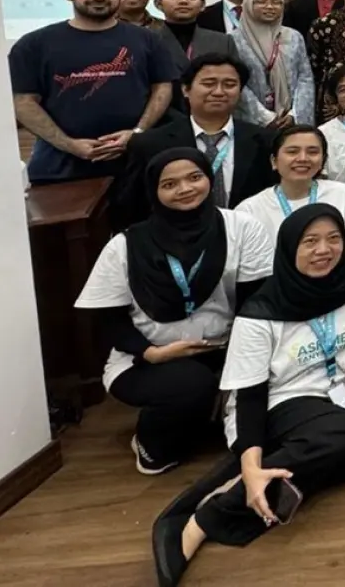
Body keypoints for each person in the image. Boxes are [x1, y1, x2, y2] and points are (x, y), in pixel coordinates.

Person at [151, 206, 345, 587]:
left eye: (334, 239)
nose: (324, 250)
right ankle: (207, 517)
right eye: (310, 242)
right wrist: (250, 462)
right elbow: (249, 396)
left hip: (339, 393)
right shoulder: (260, 311)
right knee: (341, 432)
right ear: (289, 248)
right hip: (279, 401)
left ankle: (246, 484)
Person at [76, 148, 274, 475]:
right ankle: (150, 443)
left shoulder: (241, 227)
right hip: (147, 356)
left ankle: (209, 414)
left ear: (209, 179)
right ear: (153, 190)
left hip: (226, 345)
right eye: (169, 184)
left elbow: (255, 300)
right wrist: (152, 353)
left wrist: (240, 352)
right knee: (190, 386)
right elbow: (106, 320)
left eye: (194, 177)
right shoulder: (127, 244)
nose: (185, 189)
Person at [10, 0, 176, 185]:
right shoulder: (34, 44)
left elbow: (162, 87)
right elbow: (23, 102)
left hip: (136, 165)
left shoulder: (148, 39)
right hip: (59, 168)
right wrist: (69, 144)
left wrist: (137, 133)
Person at [116, 54, 274, 225]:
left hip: (246, 235)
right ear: (186, 89)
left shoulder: (264, 141)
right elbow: (132, 207)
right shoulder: (150, 144)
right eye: (208, 84)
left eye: (229, 85)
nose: (219, 92)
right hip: (173, 236)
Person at [235, 126, 345, 246]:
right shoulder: (249, 210)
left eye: (312, 152)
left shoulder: (341, 194)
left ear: (323, 160)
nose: (303, 158)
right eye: (292, 152)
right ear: (274, 161)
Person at [148, 0, 251, 119]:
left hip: (214, 118)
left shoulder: (222, 41)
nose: (183, 1)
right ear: (158, 4)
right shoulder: (146, 40)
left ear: (202, 5)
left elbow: (234, 82)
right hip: (160, 120)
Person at [231, 0, 314, 128]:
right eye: (261, 1)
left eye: (276, 2)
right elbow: (235, 82)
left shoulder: (293, 36)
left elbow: (304, 77)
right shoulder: (233, 40)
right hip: (252, 120)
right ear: (248, 5)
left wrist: (294, 114)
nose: (269, 7)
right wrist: (265, 117)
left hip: (290, 118)